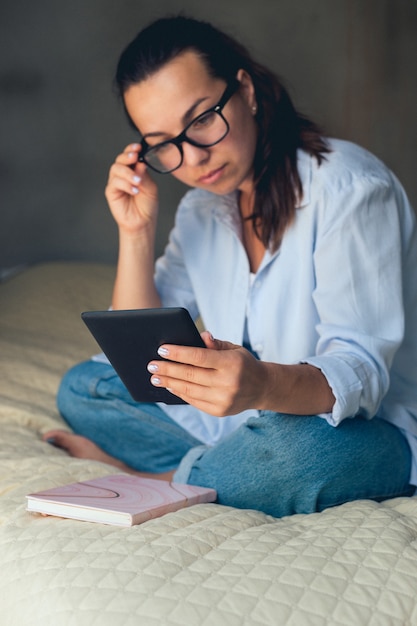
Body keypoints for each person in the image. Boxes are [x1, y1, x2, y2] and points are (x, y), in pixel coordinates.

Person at [44, 15, 417, 518]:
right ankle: (225, 470)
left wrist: (261, 383)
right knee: (86, 388)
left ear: (246, 90)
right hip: (247, 422)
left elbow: (360, 373)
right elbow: (138, 358)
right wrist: (135, 231)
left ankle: (150, 480)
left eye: (201, 120)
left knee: (297, 451)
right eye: (164, 143)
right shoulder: (203, 209)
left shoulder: (350, 189)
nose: (193, 158)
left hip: (360, 429)